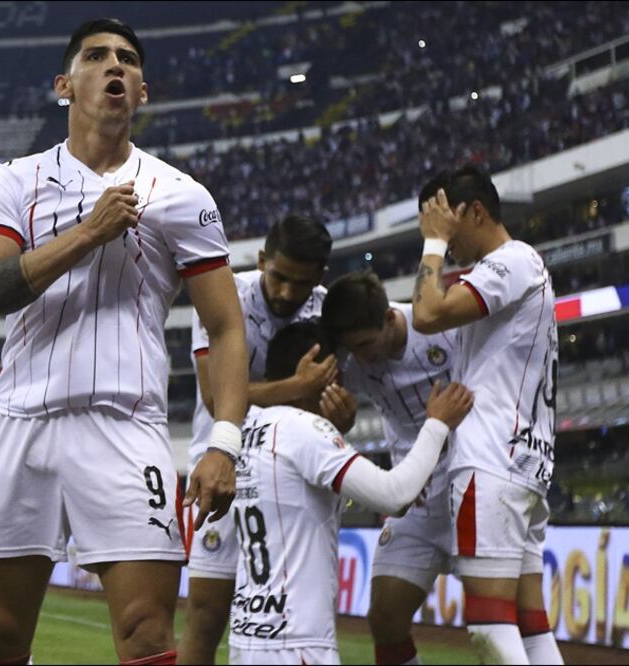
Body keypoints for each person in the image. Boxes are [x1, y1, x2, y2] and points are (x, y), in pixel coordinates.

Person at [0, 18, 249, 666]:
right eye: (96, 56)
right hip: (19, 421)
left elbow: (226, 327)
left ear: (142, 90)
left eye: (126, 59)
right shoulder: (9, 181)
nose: (113, 66)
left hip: (124, 425)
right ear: (65, 84)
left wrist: (223, 444)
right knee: (0, 638)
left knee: (148, 633)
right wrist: (87, 235)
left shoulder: (182, 196)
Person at [228, 323, 474, 665]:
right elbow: (395, 496)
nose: (342, 388)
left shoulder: (247, 427)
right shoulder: (304, 430)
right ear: (312, 370)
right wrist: (437, 424)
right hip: (297, 642)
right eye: (335, 376)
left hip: (247, 639)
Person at [411, 165, 562, 664]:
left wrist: (432, 245)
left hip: (491, 460)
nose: (446, 243)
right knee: (528, 621)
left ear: (475, 211)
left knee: (488, 624)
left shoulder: (511, 261)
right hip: (523, 463)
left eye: (448, 227)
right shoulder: (519, 268)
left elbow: (428, 314)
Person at [178, 215, 341, 665]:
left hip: (295, 478)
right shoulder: (223, 296)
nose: (288, 293)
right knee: (207, 615)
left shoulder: (327, 311)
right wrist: (295, 387)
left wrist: (339, 413)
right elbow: (215, 398)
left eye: (301, 284)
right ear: (262, 259)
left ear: (320, 278)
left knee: (299, 614)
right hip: (222, 466)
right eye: (279, 277)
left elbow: (329, 402)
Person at [320, 175, 457, 666]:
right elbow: (337, 418)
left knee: (494, 623)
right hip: (414, 501)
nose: (359, 359)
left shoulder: (438, 327)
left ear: (387, 319)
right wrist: (342, 417)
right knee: (385, 619)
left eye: (363, 345)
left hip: (468, 489)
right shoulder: (355, 359)